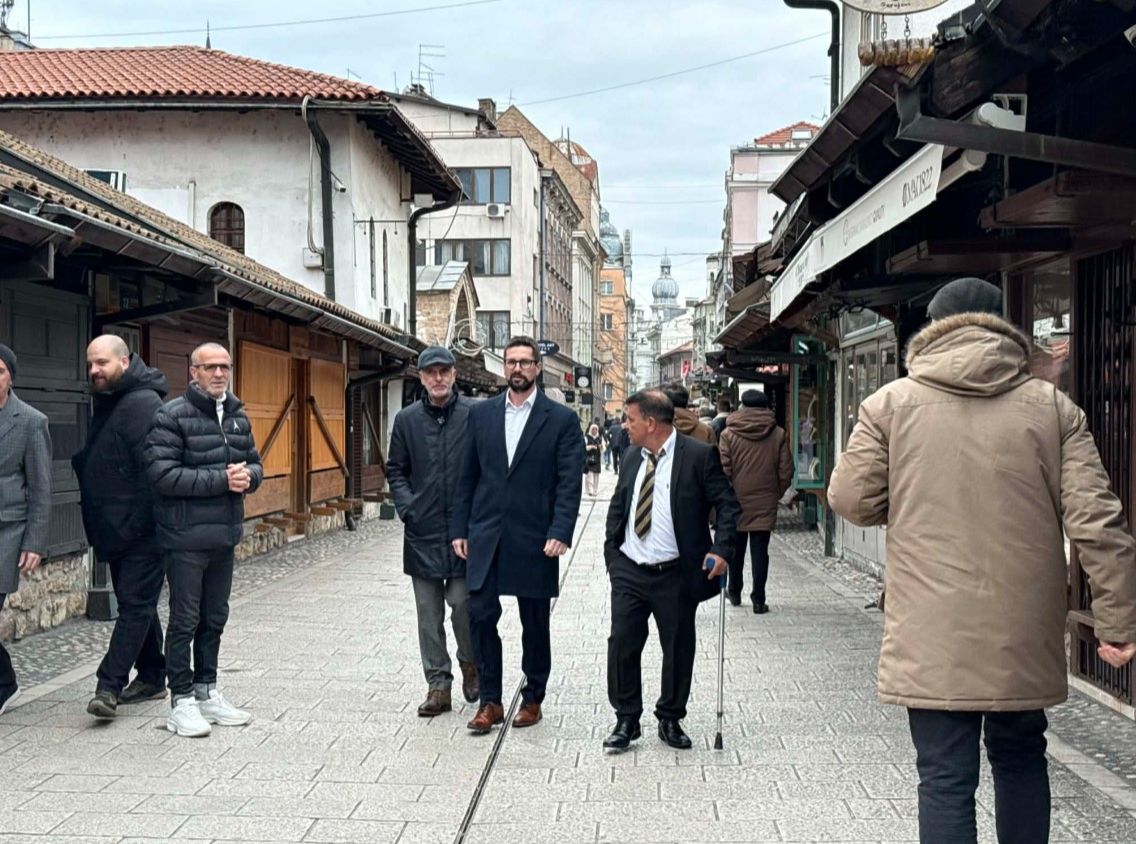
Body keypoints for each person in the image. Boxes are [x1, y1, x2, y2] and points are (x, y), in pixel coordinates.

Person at [829, 276, 1136, 843]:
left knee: (944, 777)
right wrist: (1117, 621)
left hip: (929, 623)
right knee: (1021, 758)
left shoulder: (889, 405)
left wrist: (908, 500)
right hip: (1022, 624)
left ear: (932, 329)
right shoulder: (1053, 408)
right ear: (1005, 328)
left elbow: (851, 500)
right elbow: (1098, 522)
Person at [452, 336, 584, 734]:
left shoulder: (560, 420)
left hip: (535, 534)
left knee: (534, 621)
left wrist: (561, 530)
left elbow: (569, 482)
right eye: (511, 362)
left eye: (525, 362)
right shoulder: (481, 415)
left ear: (537, 368)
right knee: (480, 615)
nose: (518, 369)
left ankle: (533, 697)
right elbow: (466, 476)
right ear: (505, 366)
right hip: (486, 533)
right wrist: (459, 528)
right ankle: (490, 701)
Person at [603, 389, 739, 751]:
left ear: (651, 422)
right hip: (630, 568)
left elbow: (728, 505)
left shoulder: (698, 456)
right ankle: (626, 718)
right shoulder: (631, 456)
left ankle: (670, 717)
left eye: (630, 419)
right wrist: (612, 556)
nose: (625, 425)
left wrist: (721, 549)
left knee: (678, 646)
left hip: (676, 572)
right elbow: (619, 505)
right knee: (622, 642)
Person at [146, 343, 262, 738]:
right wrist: (222, 479)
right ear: (192, 372)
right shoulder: (171, 416)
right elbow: (162, 476)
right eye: (209, 367)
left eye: (224, 367)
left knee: (215, 617)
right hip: (184, 538)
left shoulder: (237, 415)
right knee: (185, 619)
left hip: (224, 535)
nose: (218, 374)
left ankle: (207, 690)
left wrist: (250, 478)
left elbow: (255, 462)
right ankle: (180, 701)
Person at [74, 336, 169, 719]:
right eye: (90, 364)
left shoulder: (142, 404)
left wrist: (137, 524)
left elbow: (153, 472)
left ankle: (108, 686)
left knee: (133, 606)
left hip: (141, 532)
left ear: (125, 362)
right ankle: (153, 675)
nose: (94, 370)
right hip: (117, 529)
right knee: (139, 604)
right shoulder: (115, 399)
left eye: (102, 363)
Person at [387, 346, 479, 717]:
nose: (438, 378)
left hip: (463, 532)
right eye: (431, 372)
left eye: (444, 371)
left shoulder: (474, 414)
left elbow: (487, 466)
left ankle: (470, 662)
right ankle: (438, 685)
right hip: (422, 531)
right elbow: (396, 469)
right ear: (421, 377)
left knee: (463, 604)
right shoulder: (407, 420)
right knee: (428, 615)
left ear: (454, 374)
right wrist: (408, 508)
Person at [0, 344, 50, 716]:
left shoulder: (31, 421)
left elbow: (41, 487)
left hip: (7, 531)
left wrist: (34, 541)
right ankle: (7, 681)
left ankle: (4, 686)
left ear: (10, 377)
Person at [718, 389, 792, 613]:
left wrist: (728, 496)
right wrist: (775, 492)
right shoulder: (778, 434)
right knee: (760, 551)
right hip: (765, 500)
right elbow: (786, 470)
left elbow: (723, 470)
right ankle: (758, 599)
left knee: (736, 549)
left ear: (742, 406)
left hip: (736, 502)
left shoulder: (728, 434)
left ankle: (734, 591)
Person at [584, 423, 603, 497]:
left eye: (596, 429)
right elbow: (584, 447)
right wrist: (591, 447)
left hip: (597, 459)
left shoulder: (599, 438)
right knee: (589, 475)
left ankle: (595, 490)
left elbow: (603, 448)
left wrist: (601, 447)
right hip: (589, 458)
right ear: (590, 430)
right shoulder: (587, 437)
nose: (594, 431)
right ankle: (590, 490)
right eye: (593, 429)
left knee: (596, 475)